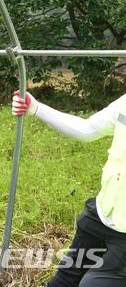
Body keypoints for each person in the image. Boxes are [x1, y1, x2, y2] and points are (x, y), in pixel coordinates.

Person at [12, 91, 126, 286]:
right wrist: (36, 108)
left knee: (92, 284)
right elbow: (87, 129)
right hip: (102, 214)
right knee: (64, 280)